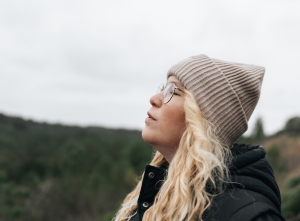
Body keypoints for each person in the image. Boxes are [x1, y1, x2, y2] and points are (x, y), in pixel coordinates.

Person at [113, 54, 285, 221]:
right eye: (163, 89)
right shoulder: (154, 196)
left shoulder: (249, 213)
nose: (154, 99)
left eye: (173, 90)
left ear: (204, 120)